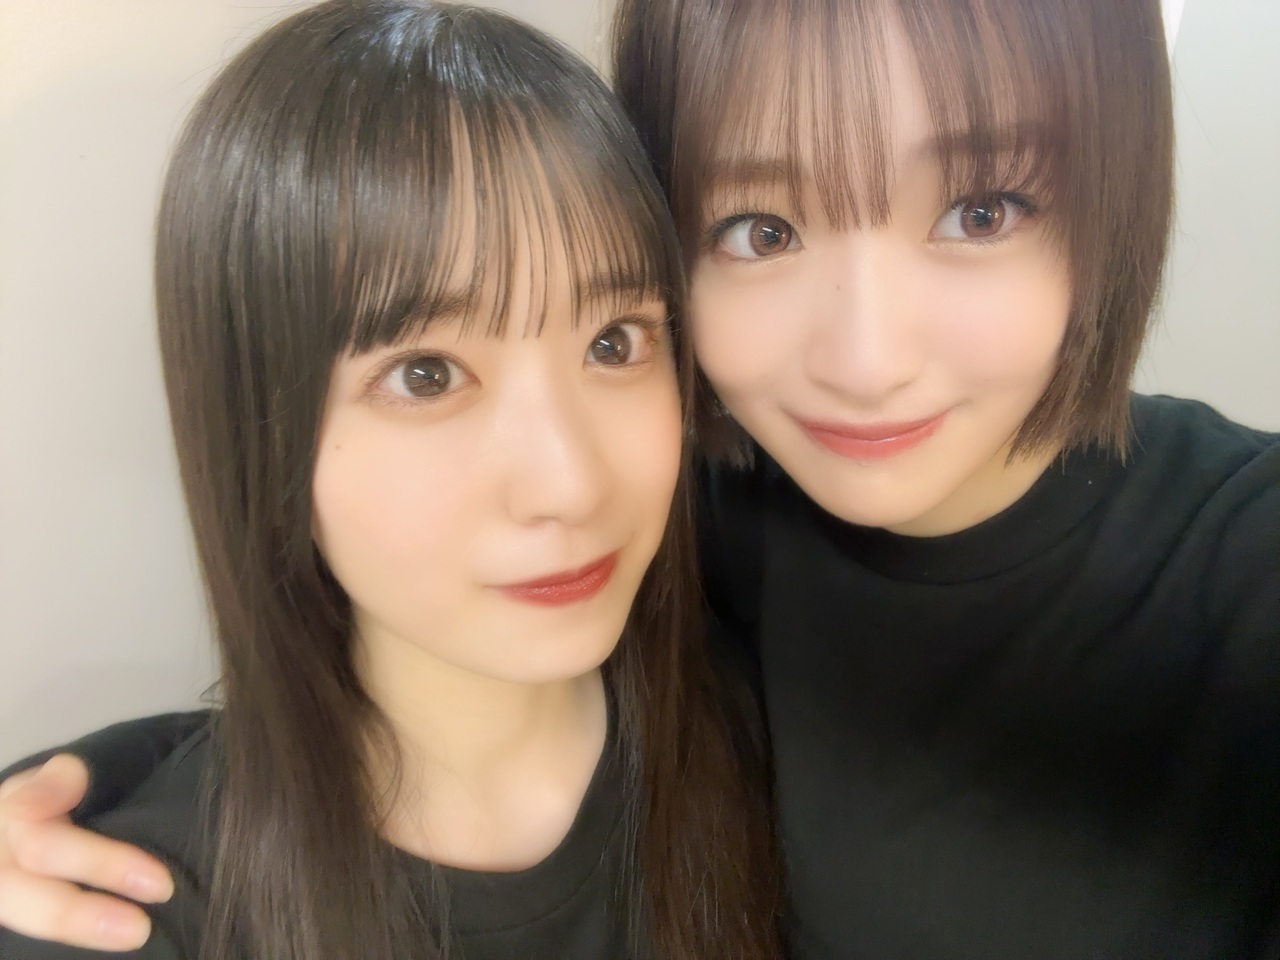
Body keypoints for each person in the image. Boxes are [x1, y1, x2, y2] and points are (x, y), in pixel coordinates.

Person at [5, 0, 1280, 957]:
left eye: (980, 210)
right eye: (761, 229)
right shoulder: (699, 515)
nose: (866, 362)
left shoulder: (1241, 570)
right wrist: (121, 788)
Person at [0, 1, 784, 958]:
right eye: (426, 376)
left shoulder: (786, 739)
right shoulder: (121, 910)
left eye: (615, 343)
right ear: (259, 429)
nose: (571, 484)